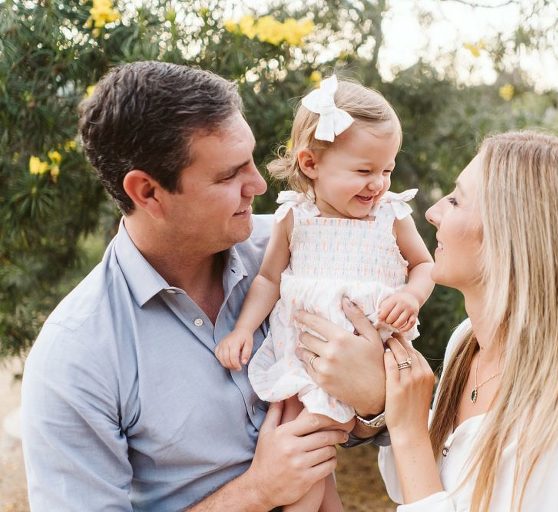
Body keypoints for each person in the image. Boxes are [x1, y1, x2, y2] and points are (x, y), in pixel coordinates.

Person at [20, 61, 388, 512]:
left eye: (251, 160)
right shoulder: (76, 356)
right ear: (147, 192)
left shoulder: (301, 253)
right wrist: (255, 492)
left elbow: (366, 416)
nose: (257, 183)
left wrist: (373, 403)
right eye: (228, 175)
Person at [300, 131, 558, 511]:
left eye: (455, 200)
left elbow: (417, 463)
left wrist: (408, 432)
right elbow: (417, 485)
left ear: (511, 238)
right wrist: (381, 404)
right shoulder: (467, 343)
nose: (434, 213)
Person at [214, 75, 434, 511]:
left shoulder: (391, 216)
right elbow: (268, 280)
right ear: (311, 164)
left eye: (387, 170)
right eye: (364, 171)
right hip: (306, 356)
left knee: (310, 457)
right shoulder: (295, 217)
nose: (379, 185)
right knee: (312, 464)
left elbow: (424, 264)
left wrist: (411, 297)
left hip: (372, 357)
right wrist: (243, 329)